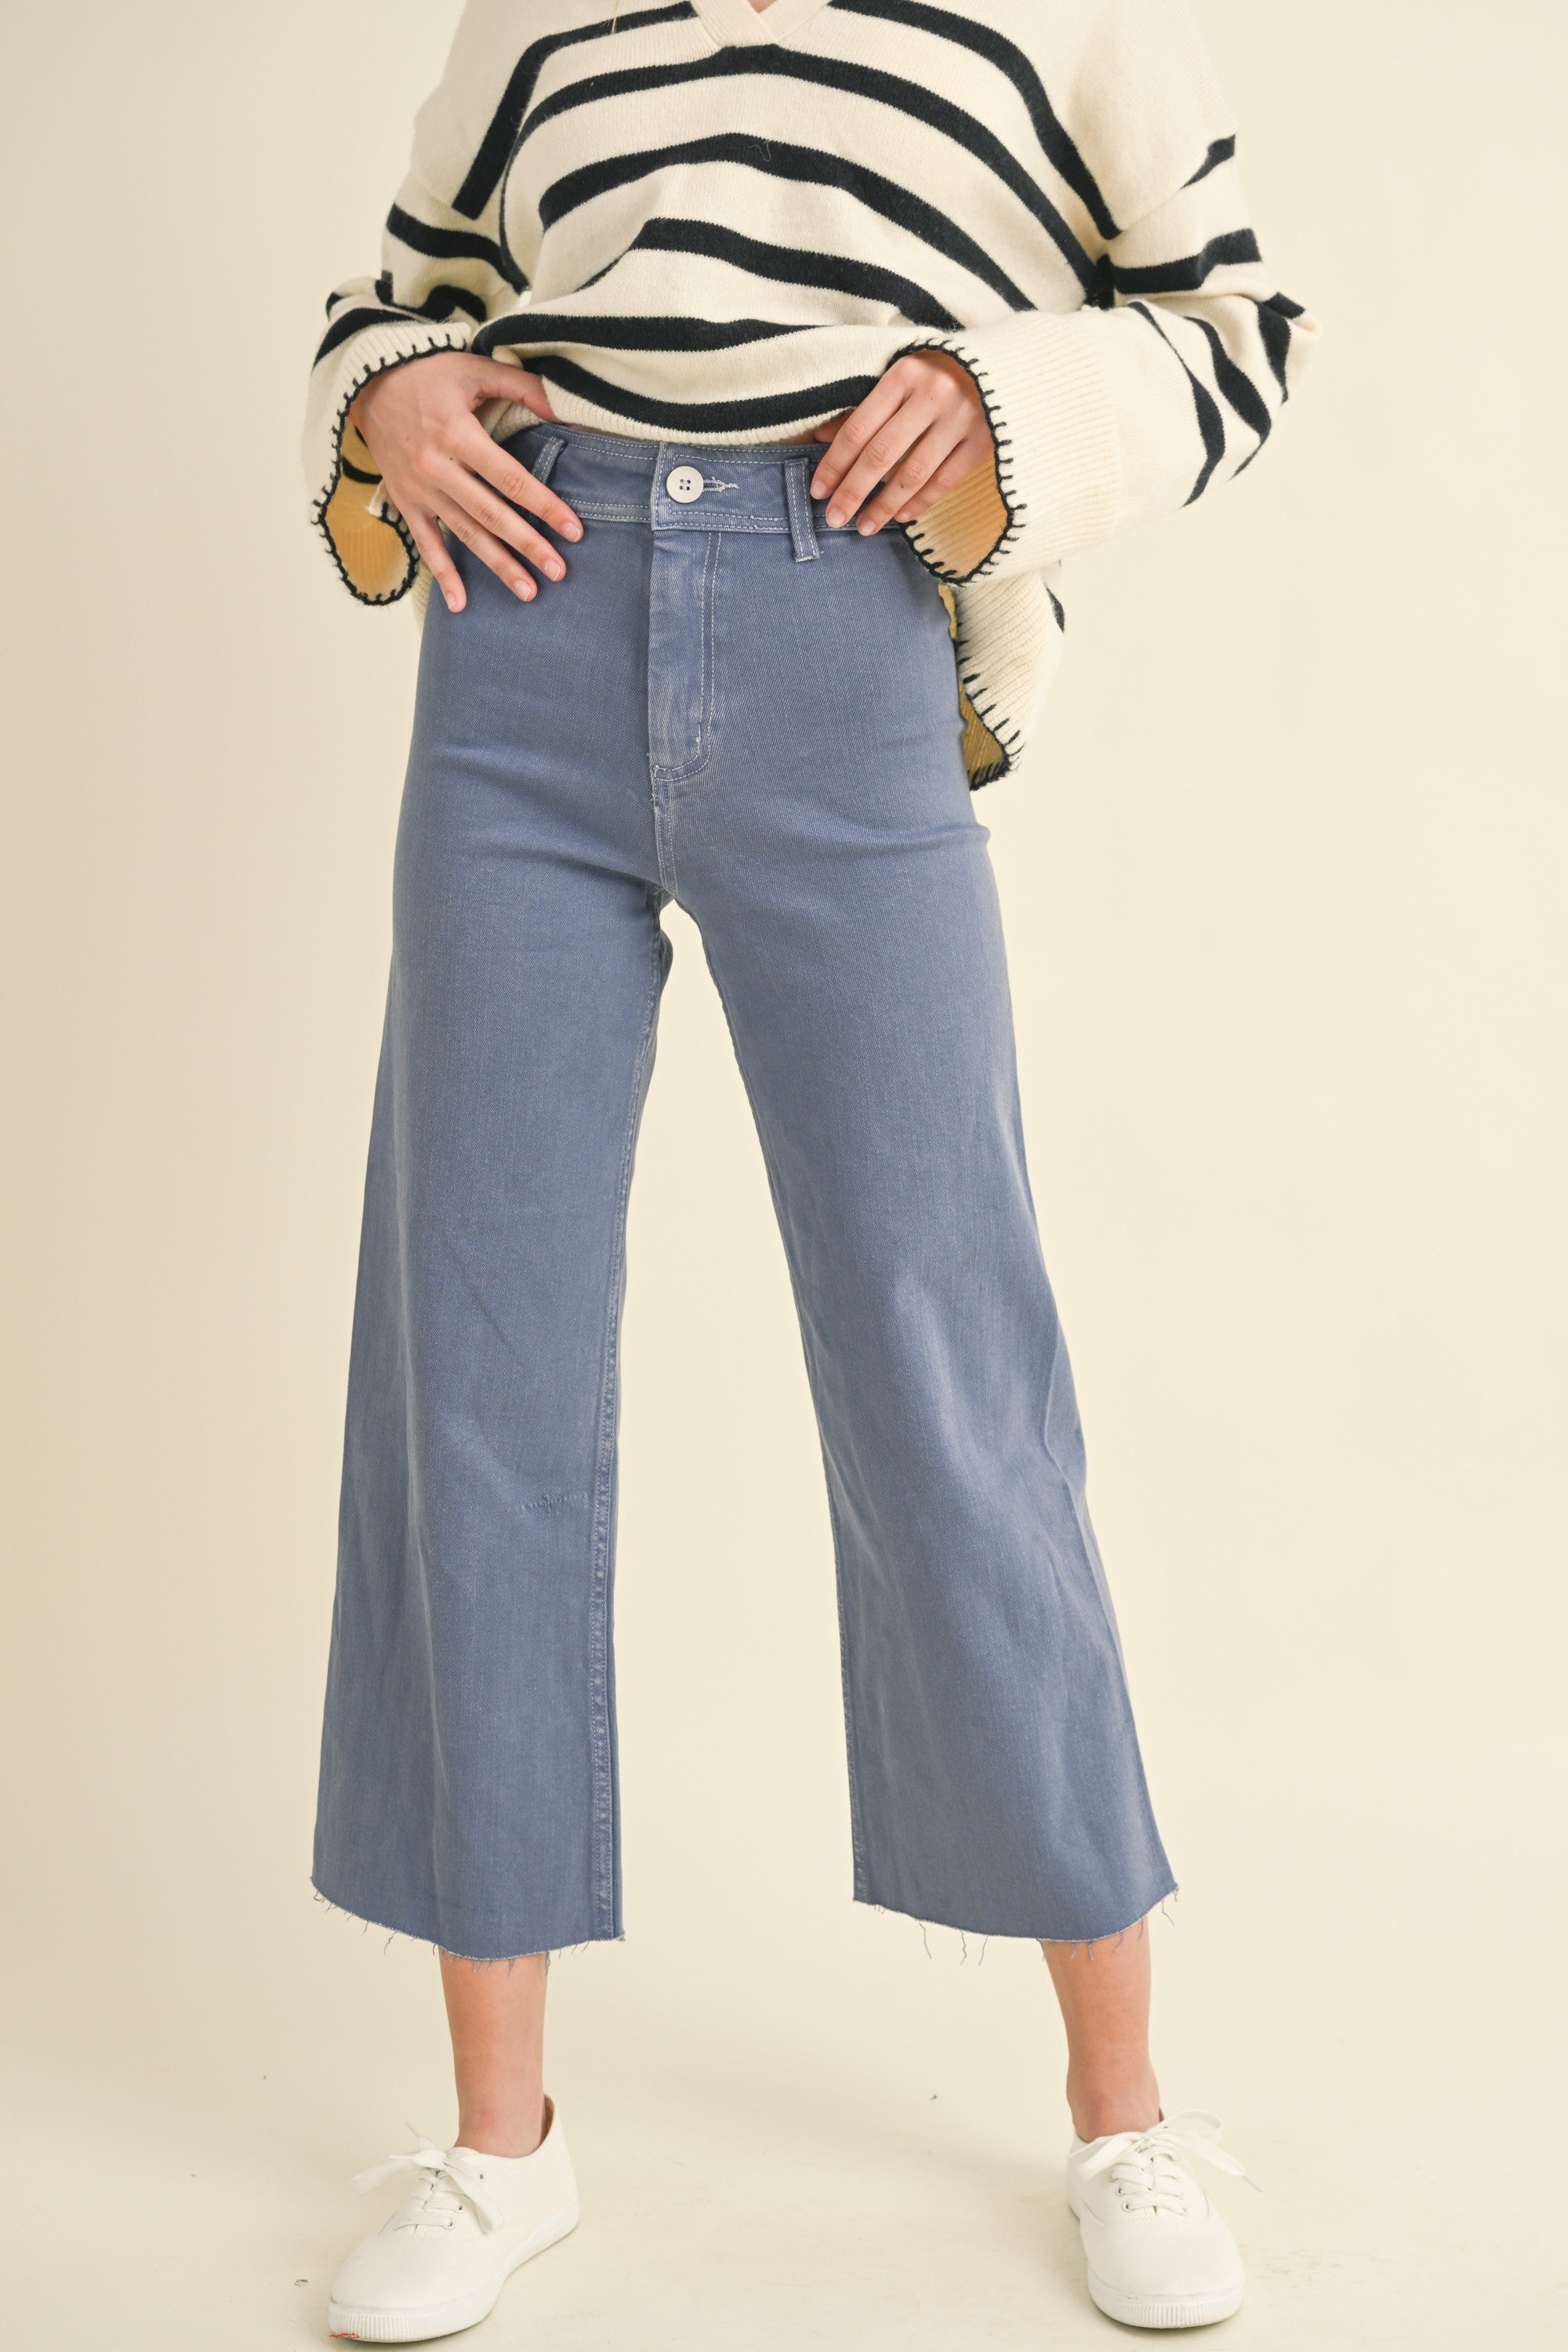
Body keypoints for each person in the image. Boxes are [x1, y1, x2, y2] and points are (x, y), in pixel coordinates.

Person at [302, 0, 1312, 2336]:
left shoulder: (1069, 16)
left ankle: (1126, 2108)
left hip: (848, 610)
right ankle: (496, 2146)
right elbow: (408, 286)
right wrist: (390, 395)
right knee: (475, 1364)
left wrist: (1003, 398)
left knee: (943, 1351)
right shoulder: (538, 18)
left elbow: (1239, 328)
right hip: (520, 630)